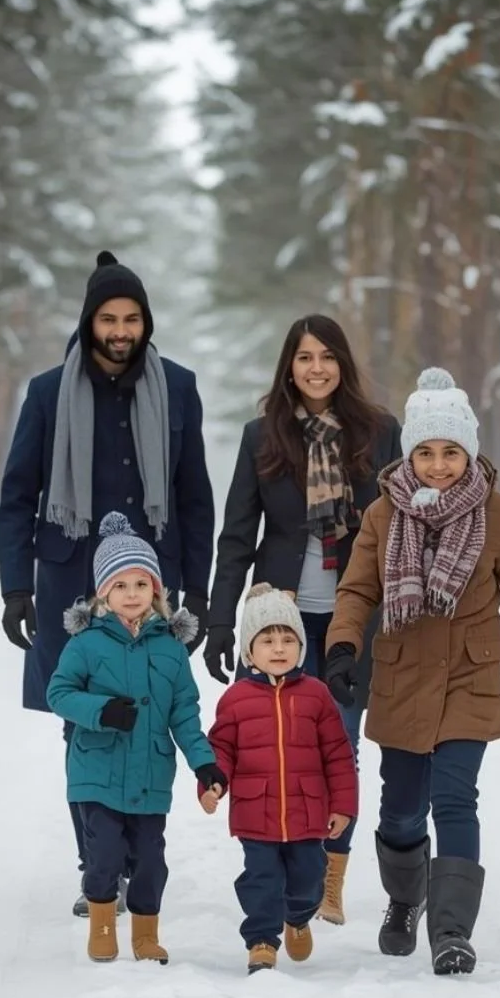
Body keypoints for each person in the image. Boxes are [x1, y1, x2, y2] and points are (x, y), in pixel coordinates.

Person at [0, 250, 215, 917]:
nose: (120, 330)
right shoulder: (46, 392)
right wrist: (15, 588)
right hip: (69, 584)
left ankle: (134, 856)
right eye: (108, 318)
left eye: (132, 318)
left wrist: (198, 591)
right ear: (89, 322)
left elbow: (194, 497)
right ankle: (102, 867)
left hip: (153, 582)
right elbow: (16, 497)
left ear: (147, 323)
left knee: (149, 714)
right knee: (81, 721)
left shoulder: (177, 388)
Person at [323, 367, 500, 976]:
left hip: (469, 675)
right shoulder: (382, 514)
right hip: (400, 676)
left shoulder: (497, 512)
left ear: (469, 451)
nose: (438, 464)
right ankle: (406, 899)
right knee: (400, 808)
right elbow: (357, 589)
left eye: (450, 451)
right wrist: (342, 649)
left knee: (455, 799)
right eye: (425, 452)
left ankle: (452, 933)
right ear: (410, 455)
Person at [204, 314, 400, 924]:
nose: (316, 368)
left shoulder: (379, 432)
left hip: (354, 618)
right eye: (304, 357)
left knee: (337, 744)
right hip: (278, 621)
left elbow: (400, 529)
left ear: (343, 363)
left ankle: (330, 881)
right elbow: (238, 535)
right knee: (280, 751)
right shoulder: (262, 436)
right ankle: (281, 875)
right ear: (288, 366)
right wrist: (218, 622)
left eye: (327, 356)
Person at [46, 512, 226, 964]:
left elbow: (185, 712)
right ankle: (103, 925)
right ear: (104, 591)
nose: (131, 595)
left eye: (141, 585)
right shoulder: (86, 643)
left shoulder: (170, 648)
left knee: (150, 861)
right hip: (97, 769)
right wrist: (101, 711)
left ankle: (146, 935)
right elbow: (59, 693)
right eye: (121, 585)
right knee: (103, 854)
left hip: (150, 773)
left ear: (156, 592)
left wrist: (205, 765)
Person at [202, 583, 358, 974]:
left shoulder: (317, 695)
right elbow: (221, 749)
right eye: (267, 639)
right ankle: (261, 941)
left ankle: (298, 917)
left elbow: (338, 754)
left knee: (308, 879)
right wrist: (213, 783)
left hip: (308, 814)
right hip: (256, 811)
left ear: (301, 646)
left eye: (288, 639)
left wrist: (343, 806)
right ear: (249, 651)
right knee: (262, 879)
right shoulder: (235, 699)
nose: (278, 648)